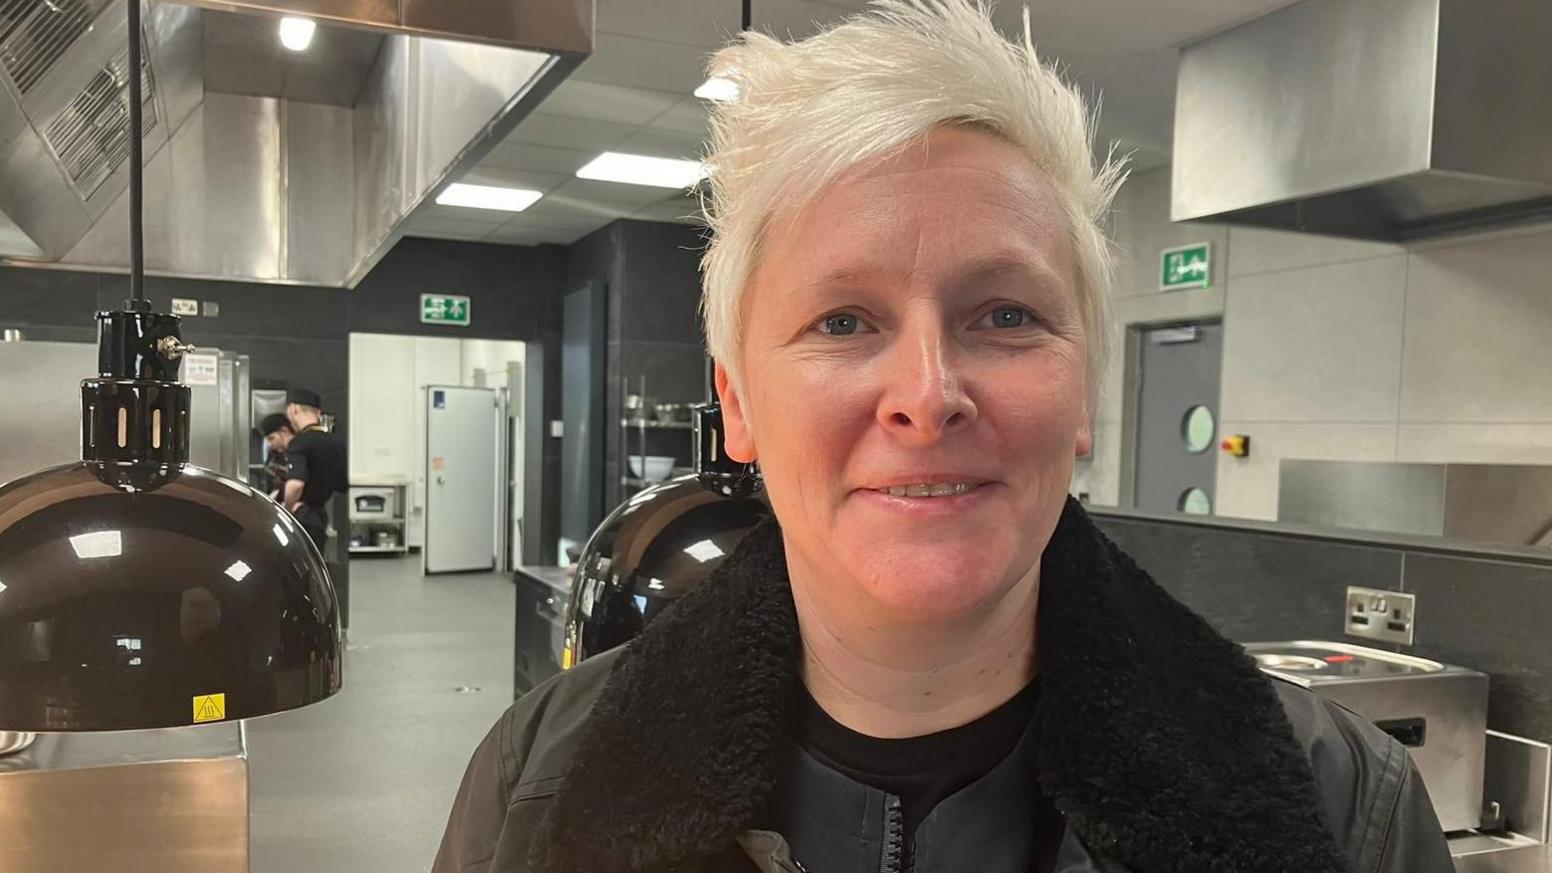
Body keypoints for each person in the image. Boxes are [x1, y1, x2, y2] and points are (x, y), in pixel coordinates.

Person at [433, 3, 1454, 872]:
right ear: (737, 404)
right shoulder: (538, 787)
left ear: (1085, 391)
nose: (927, 396)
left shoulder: (1342, 810)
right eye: (843, 322)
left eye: (1005, 315)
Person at [281, 389, 346, 553]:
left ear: (293, 409)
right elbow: (341, 484)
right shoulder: (336, 443)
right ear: (317, 412)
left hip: (302, 516)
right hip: (320, 517)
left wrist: (287, 508)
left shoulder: (299, 443)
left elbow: (295, 484)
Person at [257, 413, 294, 498]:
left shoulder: (301, 451)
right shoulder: (274, 457)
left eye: (271, 438)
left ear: (284, 431)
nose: (270, 444)